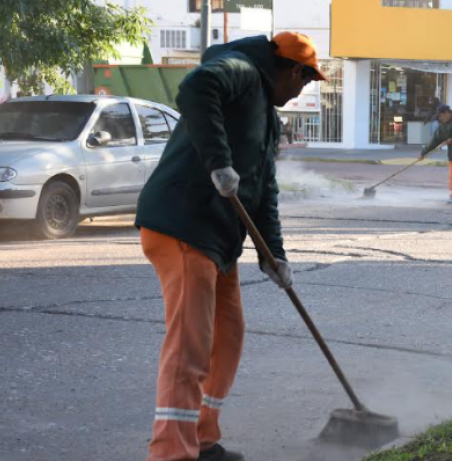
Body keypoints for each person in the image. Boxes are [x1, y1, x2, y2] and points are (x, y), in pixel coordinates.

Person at [134, 32, 327, 461]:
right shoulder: (240, 69)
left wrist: (273, 254)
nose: (301, 93)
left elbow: (265, 190)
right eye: (306, 83)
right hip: (185, 225)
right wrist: (219, 162)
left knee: (228, 336)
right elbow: (197, 88)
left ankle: (201, 437)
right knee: (190, 345)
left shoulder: (268, 118)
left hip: (219, 239)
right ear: (295, 70)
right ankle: (172, 452)